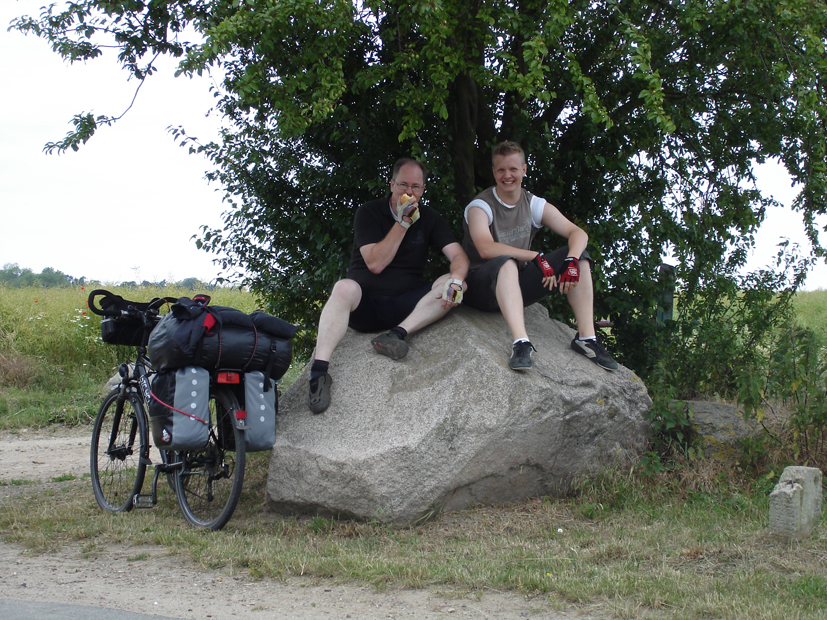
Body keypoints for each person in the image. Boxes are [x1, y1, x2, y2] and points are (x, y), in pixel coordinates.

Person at [308, 158, 470, 413]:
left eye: (416, 187)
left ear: (423, 189)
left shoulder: (430, 218)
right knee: (343, 287)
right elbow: (375, 263)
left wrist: (457, 280)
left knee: (453, 282)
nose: (409, 192)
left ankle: (395, 336)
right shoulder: (369, 212)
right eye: (403, 185)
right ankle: (318, 375)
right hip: (365, 306)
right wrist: (403, 223)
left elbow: (458, 256)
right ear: (391, 185)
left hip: (405, 306)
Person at [461, 140, 617, 371]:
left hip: (515, 286)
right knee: (507, 262)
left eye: (513, 169)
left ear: (524, 169)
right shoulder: (480, 206)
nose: (507, 175)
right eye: (501, 169)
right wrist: (534, 255)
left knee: (579, 254)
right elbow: (485, 248)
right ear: (493, 172)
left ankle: (586, 338)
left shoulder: (532, 203)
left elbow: (577, 232)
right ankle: (521, 343)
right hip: (480, 287)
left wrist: (571, 261)